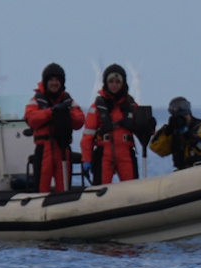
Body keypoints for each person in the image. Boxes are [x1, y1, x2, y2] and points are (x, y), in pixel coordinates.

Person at [24, 63, 85, 193]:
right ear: (45, 82)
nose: (54, 83)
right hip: (44, 149)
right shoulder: (35, 101)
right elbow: (31, 119)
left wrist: (65, 112)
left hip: (62, 149)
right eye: (51, 80)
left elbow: (79, 121)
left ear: (62, 82)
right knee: (41, 190)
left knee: (64, 189)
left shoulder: (68, 101)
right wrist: (52, 112)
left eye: (57, 80)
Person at [80, 64, 144, 185]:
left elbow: (144, 130)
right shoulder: (97, 107)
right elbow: (87, 137)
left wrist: (149, 124)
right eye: (111, 81)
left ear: (123, 83)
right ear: (105, 83)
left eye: (117, 81)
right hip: (104, 153)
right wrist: (86, 159)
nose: (114, 85)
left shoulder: (132, 106)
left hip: (126, 154)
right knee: (101, 189)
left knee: (131, 189)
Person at [148, 97, 201, 170]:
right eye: (180, 118)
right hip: (181, 172)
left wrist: (189, 136)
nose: (183, 119)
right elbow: (156, 148)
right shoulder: (173, 132)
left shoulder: (200, 128)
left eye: (185, 115)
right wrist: (167, 132)